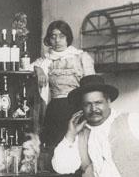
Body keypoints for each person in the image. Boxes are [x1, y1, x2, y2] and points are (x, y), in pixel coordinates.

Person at [32, 20, 96, 148]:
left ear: (68, 38)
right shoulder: (45, 60)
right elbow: (26, 68)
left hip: (76, 108)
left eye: (61, 36)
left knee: (78, 146)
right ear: (49, 39)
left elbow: (92, 86)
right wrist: (38, 70)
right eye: (53, 36)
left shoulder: (81, 57)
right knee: (55, 147)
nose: (57, 40)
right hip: (55, 110)